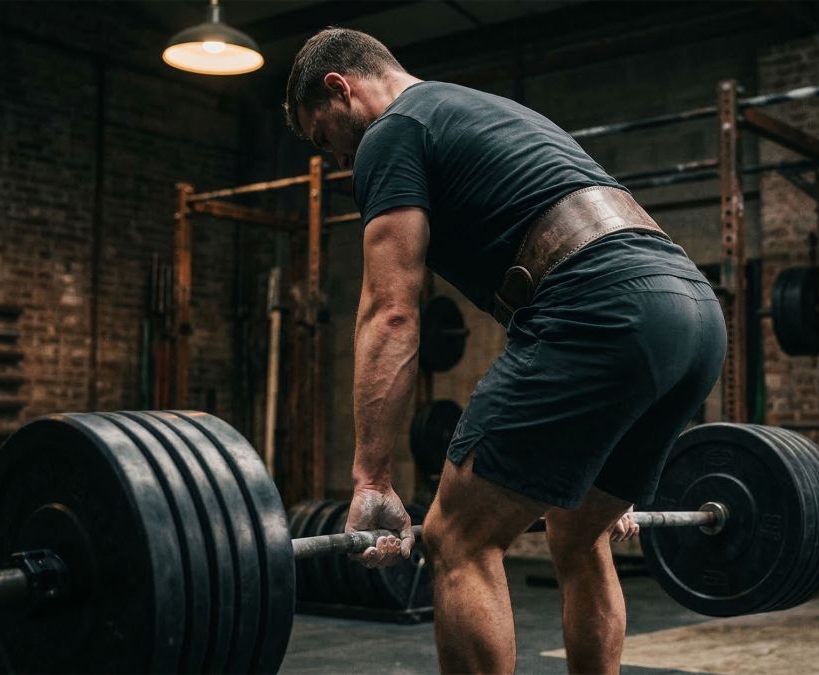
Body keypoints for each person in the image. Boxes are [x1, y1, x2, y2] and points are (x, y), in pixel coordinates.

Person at [283, 28, 726, 675]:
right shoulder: (474, 108)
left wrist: (373, 476)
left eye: (326, 137)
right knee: (581, 533)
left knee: (455, 535)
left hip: (596, 309)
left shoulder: (391, 132)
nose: (341, 156)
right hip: (690, 310)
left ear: (339, 88)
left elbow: (393, 311)